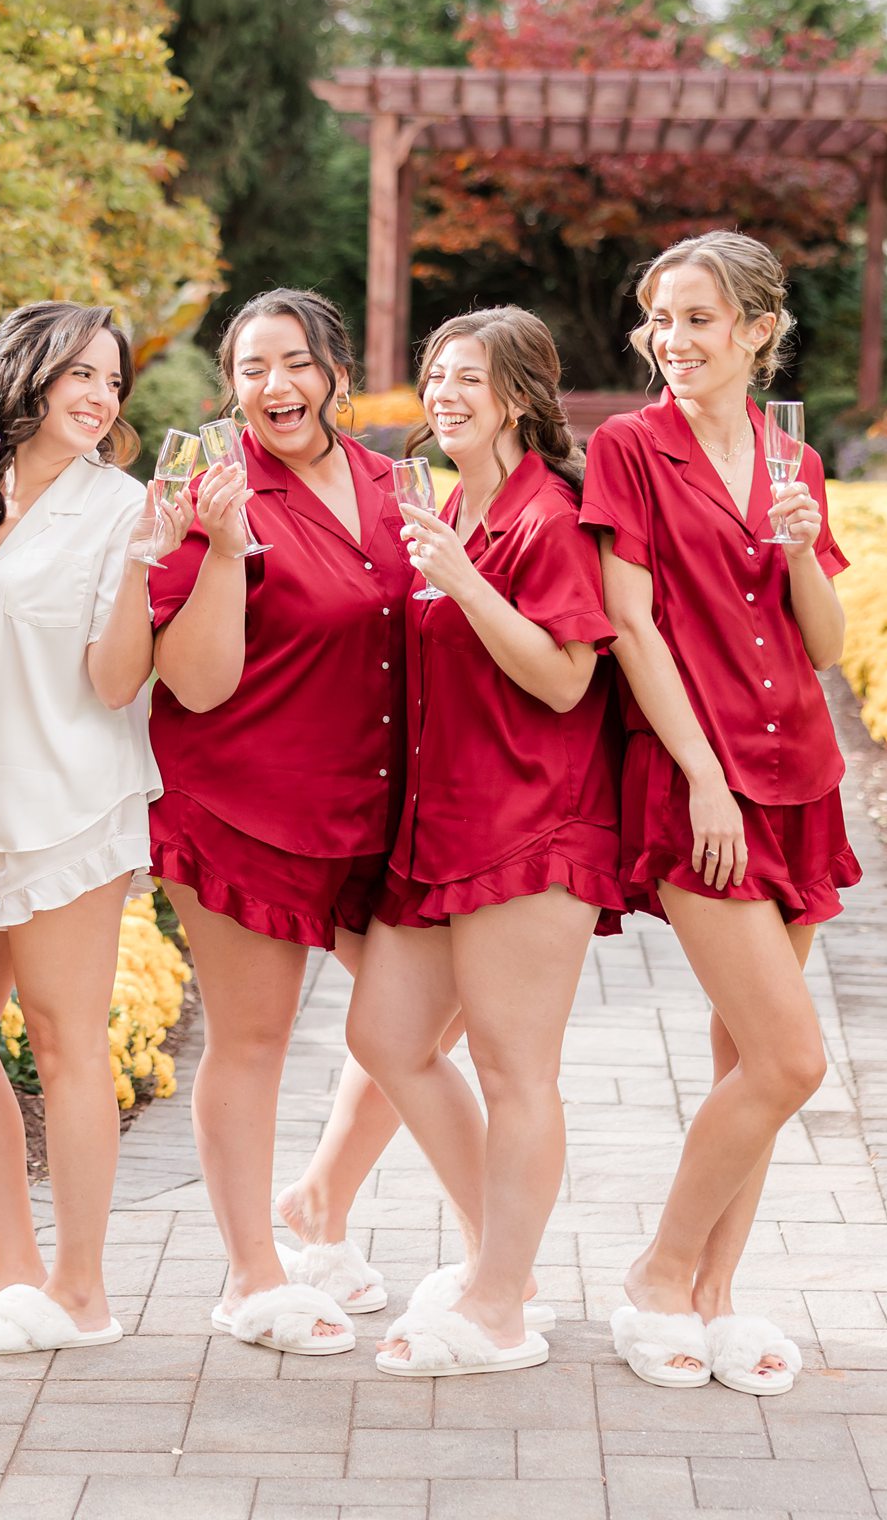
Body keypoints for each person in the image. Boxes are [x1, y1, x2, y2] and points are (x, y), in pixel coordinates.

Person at [580, 230, 856, 1396]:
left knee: (748, 1053)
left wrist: (802, 555)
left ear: (755, 330)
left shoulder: (793, 457)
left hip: (803, 772)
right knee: (794, 1058)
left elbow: (828, 647)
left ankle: (714, 1296)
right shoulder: (628, 447)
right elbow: (631, 626)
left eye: (698, 319)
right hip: (701, 780)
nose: (672, 341)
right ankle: (658, 1272)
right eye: (661, 319)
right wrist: (697, 772)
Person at [345, 306, 625, 1378]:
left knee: (516, 1070)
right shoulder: (451, 500)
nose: (442, 395)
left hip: (534, 823)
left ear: (516, 397)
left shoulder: (546, 516)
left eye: (465, 378)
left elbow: (565, 676)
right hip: (442, 824)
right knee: (387, 1036)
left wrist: (462, 577)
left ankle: (500, 1303)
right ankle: (499, 1254)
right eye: (433, 377)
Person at [0, 302, 169, 1355]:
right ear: (32, 374)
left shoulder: (120, 506)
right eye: (83, 375)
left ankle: (83, 1290)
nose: (101, 398)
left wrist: (144, 562)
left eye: (114, 382)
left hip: (70, 806)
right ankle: (13, 1264)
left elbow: (111, 679)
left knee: (64, 1045)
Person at [147, 288, 412, 1355]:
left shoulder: (398, 483)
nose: (276, 387)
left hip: (382, 804)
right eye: (253, 368)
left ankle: (319, 1203)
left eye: (296, 363)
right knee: (251, 1039)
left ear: (337, 375)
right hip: (239, 799)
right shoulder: (204, 493)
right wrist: (215, 546)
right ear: (231, 387)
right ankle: (250, 1276)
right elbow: (191, 682)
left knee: (420, 1023)